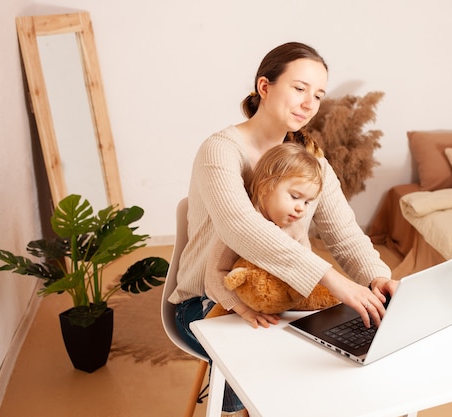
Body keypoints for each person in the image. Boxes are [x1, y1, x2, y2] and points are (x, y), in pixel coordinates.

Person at [168, 41, 398, 417]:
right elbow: (241, 227)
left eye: (319, 95)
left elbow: (344, 233)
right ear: (264, 87)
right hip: (212, 301)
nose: (310, 103)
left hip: (287, 297)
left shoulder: (311, 162)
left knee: (354, 345)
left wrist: (377, 277)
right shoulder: (220, 151)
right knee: (273, 368)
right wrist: (331, 279)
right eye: (299, 88)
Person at [206, 142, 325, 327]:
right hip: (229, 303)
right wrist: (243, 310)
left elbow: (305, 267)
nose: (301, 208)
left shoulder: (297, 229)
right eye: (295, 196)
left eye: (307, 202)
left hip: (278, 305)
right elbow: (215, 273)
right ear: (266, 186)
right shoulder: (239, 223)